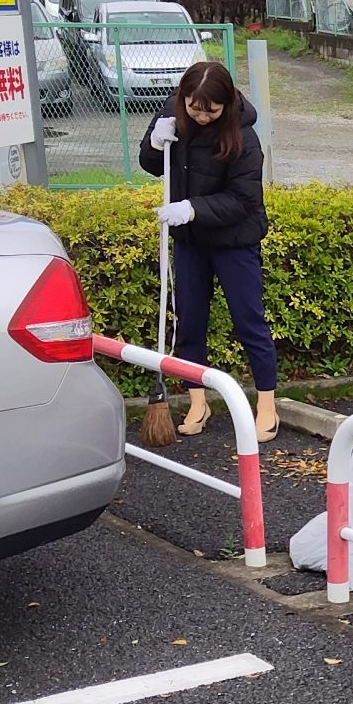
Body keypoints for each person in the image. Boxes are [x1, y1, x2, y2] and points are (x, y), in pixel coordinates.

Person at [141, 60, 278, 441]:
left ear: (226, 105)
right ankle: (198, 402)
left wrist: (193, 208)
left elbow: (244, 199)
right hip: (191, 242)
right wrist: (156, 141)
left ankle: (266, 405)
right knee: (190, 322)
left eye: (210, 110)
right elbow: (152, 164)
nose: (201, 116)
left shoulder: (244, 136)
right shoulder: (173, 112)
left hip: (234, 241)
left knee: (249, 321)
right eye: (193, 107)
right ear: (183, 97)